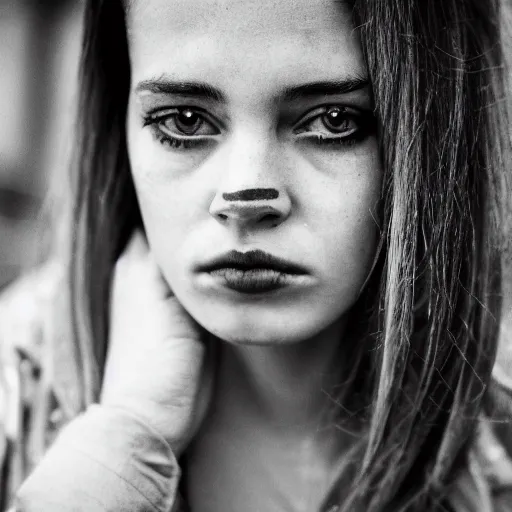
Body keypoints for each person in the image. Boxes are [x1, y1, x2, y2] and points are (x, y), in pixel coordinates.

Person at [1, 0, 512, 510]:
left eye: (334, 120)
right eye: (184, 120)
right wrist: (125, 445)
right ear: (120, 127)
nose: (245, 199)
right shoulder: (14, 385)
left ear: (440, 135)